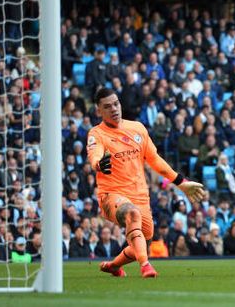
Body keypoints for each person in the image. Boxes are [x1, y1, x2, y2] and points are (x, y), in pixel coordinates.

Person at [87, 88, 204, 278]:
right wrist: (98, 164)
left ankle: (113, 266)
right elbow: (95, 155)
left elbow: (155, 160)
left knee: (143, 244)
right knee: (131, 214)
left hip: (141, 196)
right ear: (98, 110)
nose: (114, 109)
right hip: (111, 195)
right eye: (107, 107)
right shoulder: (97, 133)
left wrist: (181, 182)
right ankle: (146, 266)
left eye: (116, 104)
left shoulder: (138, 128)